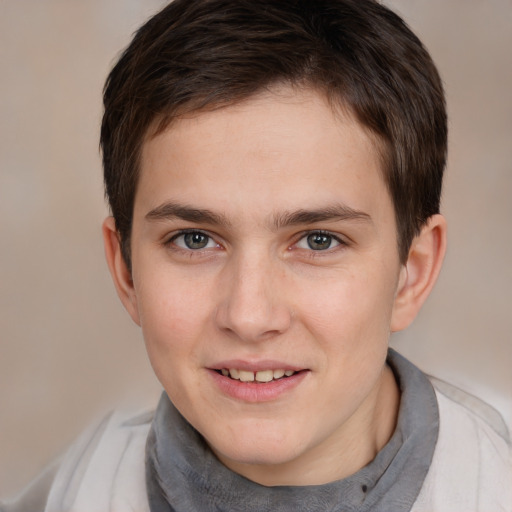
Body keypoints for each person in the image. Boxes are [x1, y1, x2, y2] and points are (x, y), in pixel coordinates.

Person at [2, 0, 510, 510]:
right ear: (126, 271)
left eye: (318, 240)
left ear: (411, 274)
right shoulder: (73, 494)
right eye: (194, 239)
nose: (249, 316)